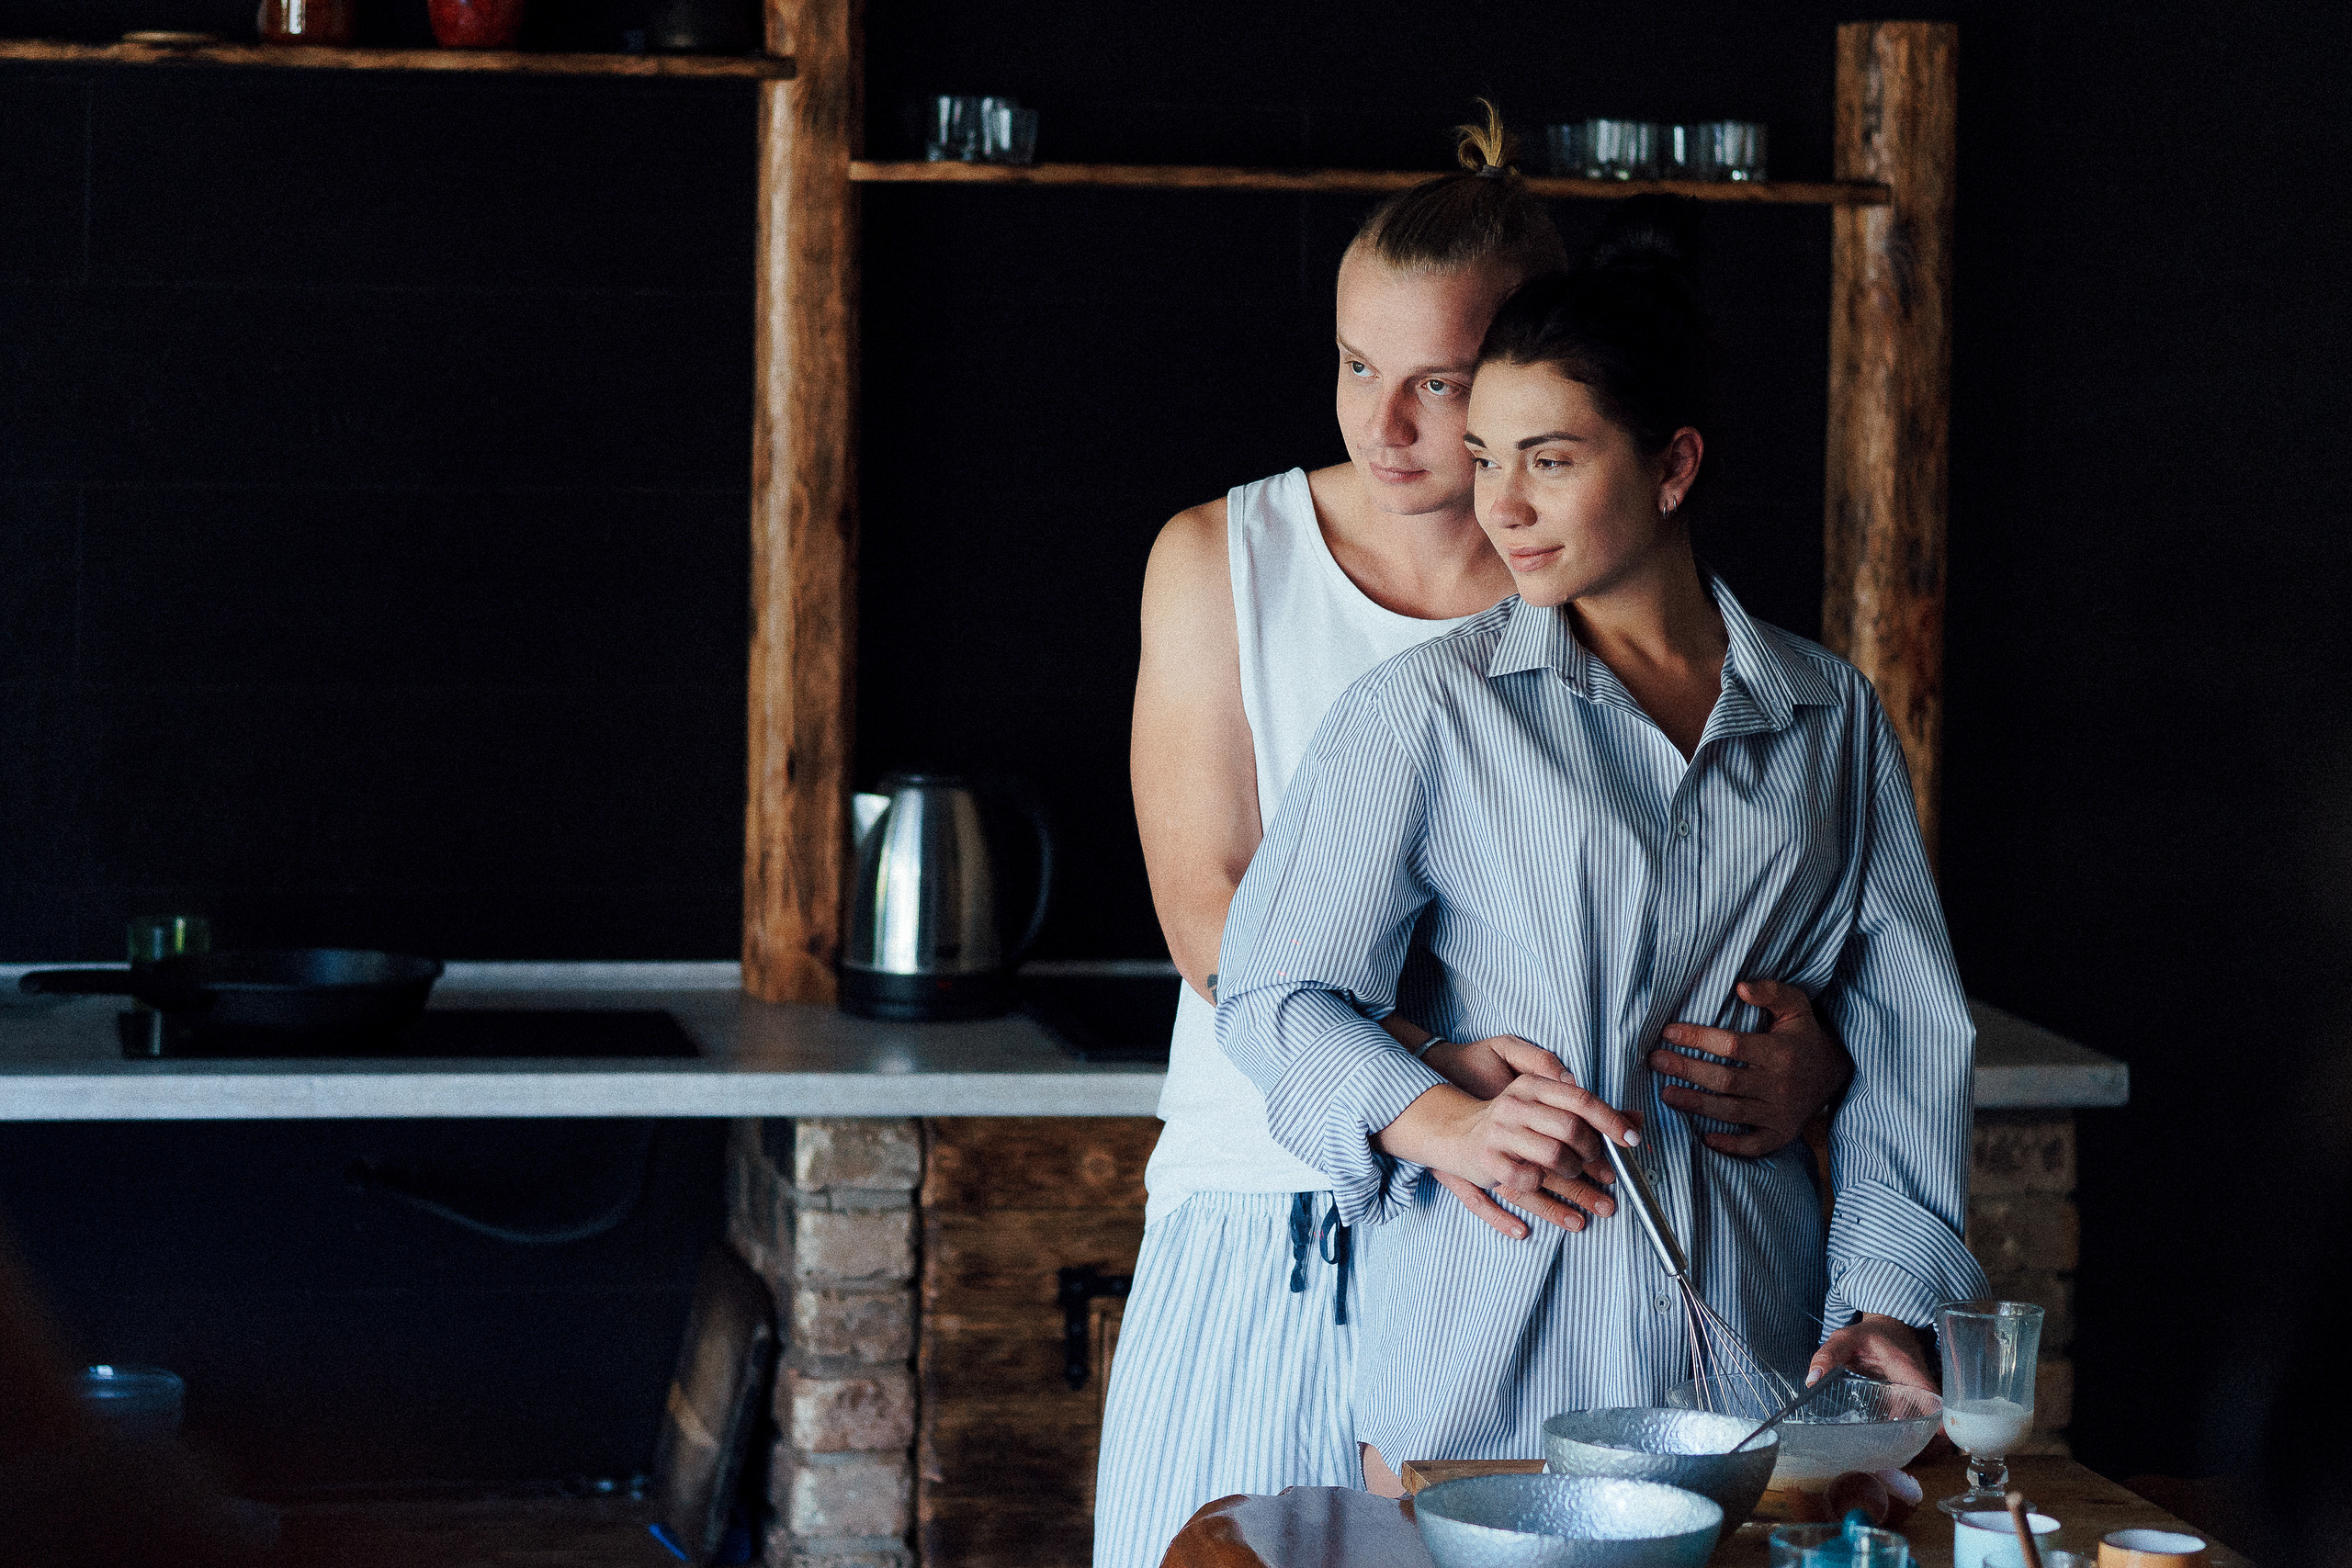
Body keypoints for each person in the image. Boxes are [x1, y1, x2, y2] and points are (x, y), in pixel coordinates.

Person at [1100, 116, 1856, 1564]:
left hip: (1533, 1252)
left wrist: (1810, 1056)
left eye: (1437, 385)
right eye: (1353, 367)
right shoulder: (1222, 560)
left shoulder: (1627, 604)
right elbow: (1217, 925)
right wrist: (1430, 1095)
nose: (1381, 429)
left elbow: (1713, 933)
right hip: (1277, 1214)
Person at [1215, 197, 1989, 1488]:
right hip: (1487, 1369)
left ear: (1674, 466)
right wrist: (1436, 1120)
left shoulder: (1829, 716)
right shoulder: (1425, 711)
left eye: (1553, 460)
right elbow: (1272, 993)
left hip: (1762, 1368)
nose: (1501, 505)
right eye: (1488, 455)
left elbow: (1911, 1037)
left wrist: (1883, 1300)